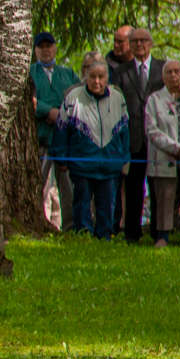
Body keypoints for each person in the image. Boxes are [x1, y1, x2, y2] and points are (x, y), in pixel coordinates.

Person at [59, 57, 131, 239]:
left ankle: (105, 236)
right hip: (82, 162)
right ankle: (83, 235)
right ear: (86, 76)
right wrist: (61, 158)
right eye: (92, 77)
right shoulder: (73, 98)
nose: (96, 81)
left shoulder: (117, 99)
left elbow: (124, 132)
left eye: (101, 77)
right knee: (81, 201)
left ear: (107, 78)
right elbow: (61, 130)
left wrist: (124, 158)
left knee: (107, 204)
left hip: (109, 163)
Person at [107, 28, 159, 240]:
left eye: (143, 40)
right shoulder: (122, 71)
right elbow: (116, 104)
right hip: (133, 138)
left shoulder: (163, 68)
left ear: (150, 43)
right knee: (133, 188)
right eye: (135, 41)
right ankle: (131, 233)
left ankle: (158, 232)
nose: (139, 44)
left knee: (157, 188)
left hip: (157, 140)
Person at [144, 59, 180, 247]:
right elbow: (152, 130)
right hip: (164, 156)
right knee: (165, 197)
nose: (173, 75)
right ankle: (162, 236)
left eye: (177, 71)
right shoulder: (154, 99)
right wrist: (175, 147)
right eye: (169, 72)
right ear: (163, 77)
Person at [29, 32, 77, 229]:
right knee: (37, 184)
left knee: (67, 187)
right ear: (35, 50)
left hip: (64, 141)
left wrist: (60, 115)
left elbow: (77, 101)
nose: (45, 50)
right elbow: (26, 100)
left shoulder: (68, 74)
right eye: (41, 47)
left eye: (49, 46)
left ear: (55, 48)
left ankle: (70, 227)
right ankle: (37, 224)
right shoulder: (29, 73)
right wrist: (47, 111)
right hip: (38, 138)